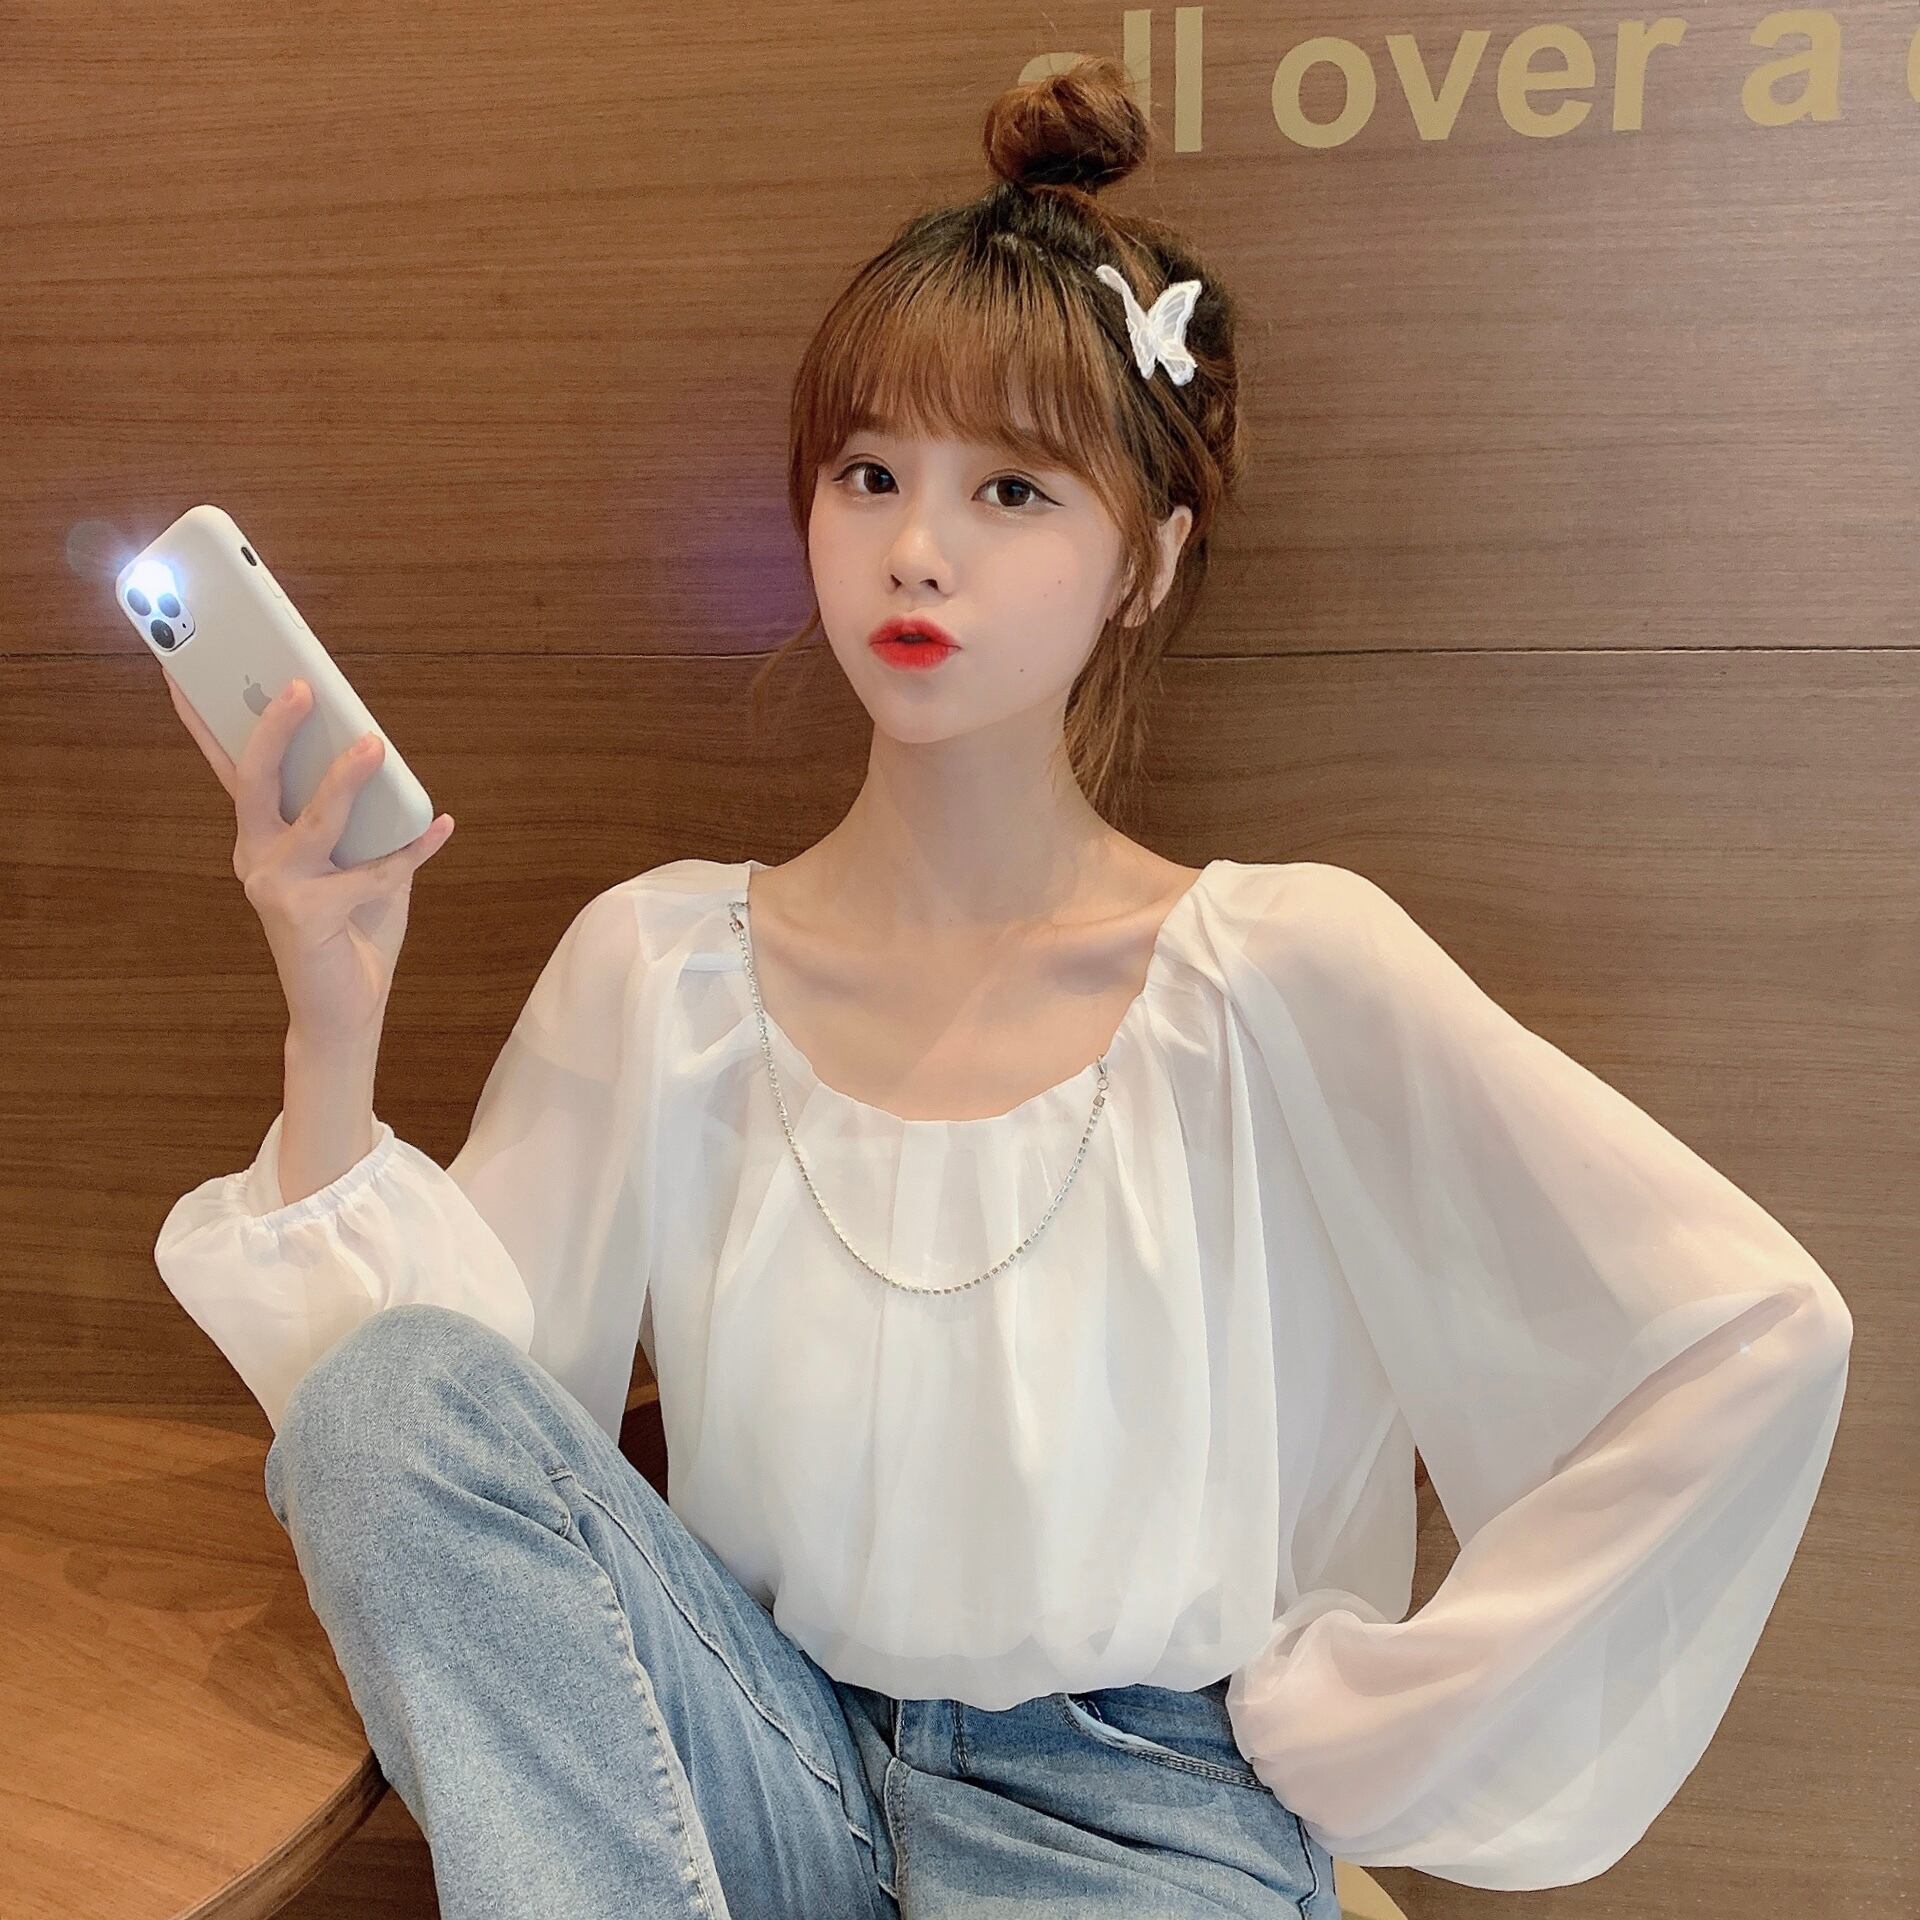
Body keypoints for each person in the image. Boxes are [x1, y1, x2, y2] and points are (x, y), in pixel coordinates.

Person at [152, 53, 1854, 1920]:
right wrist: (333, 1010)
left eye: (1014, 489)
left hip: (1130, 1812)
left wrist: (1365, 1726)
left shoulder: (1276, 975)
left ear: (1147, 565)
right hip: (763, 1753)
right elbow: (459, 1449)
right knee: (388, 1405)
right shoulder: (663, 970)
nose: (918, 548)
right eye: (869, 474)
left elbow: (1741, 1335)